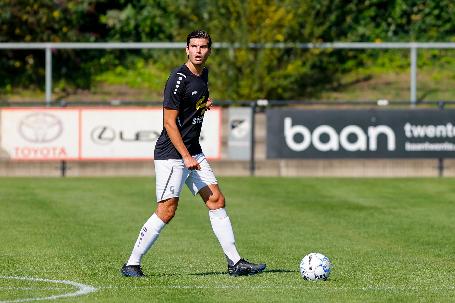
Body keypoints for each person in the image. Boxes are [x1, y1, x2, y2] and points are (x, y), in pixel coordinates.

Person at [121, 30, 266, 277]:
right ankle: (132, 263)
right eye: (194, 46)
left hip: (193, 151)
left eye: (203, 47)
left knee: (216, 200)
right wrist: (185, 157)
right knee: (167, 209)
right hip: (172, 154)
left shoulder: (204, 74)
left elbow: (197, 99)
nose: (199, 51)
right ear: (186, 49)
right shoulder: (178, 78)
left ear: (209, 50)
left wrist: (204, 104)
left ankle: (235, 262)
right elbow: (169, 123)